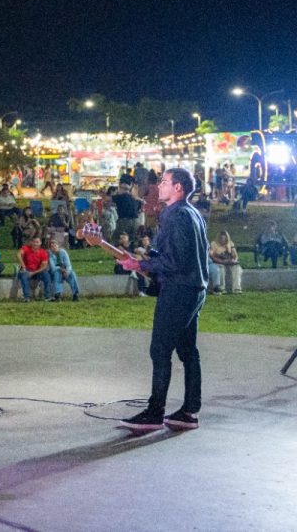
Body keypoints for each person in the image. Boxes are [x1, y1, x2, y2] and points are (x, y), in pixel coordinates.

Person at [114, 168, 208, 432]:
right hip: (194, 289)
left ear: (178, 188)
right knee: (188, 351)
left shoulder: (177, 216)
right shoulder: (193, 214)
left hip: (179, 291)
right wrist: (144, 261)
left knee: (160, 349)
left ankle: (155, 413)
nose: (159, 186)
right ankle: (189, 411)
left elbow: (175, 261)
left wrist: (141, 263)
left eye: (165, 182)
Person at [17, 236, 51, 302]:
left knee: (46, 275)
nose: (35, 244)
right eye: (34, 242)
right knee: (24, 276)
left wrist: (33, 273)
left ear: (40, 243)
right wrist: (23, 266)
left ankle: (48, 296)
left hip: (37, 271)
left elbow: (44, 266)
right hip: (26, 270)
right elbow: (18, 255)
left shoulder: (43, 252)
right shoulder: (26, 248)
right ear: (31, 242)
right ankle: (26, 297)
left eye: (37, 242)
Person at [208, 230, 242, 295]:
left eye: (224, 238)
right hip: (219, 262)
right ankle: (222, 288)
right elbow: (212, 256)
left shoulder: (230, 244)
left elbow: (235, 255)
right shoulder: (213, 244)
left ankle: (236, 288)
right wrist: (223, 261)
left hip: (230, 262)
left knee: (238, 269)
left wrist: (234, 260)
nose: (222, 240)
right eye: (221, 238)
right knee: (221, 269)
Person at [47, 237, 80, 302]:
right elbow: (53, 268)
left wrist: (67, 272)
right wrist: (60, 269)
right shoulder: (50, 255)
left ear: (58, 245)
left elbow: (68, 265)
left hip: (65, 270)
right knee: (57, 273)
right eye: (52, 246)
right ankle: (57, 295)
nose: (54, 247)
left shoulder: (63, 252)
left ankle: (75, 294)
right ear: (50, 248)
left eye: (55, 245)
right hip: (56, 271)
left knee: (72, 274)